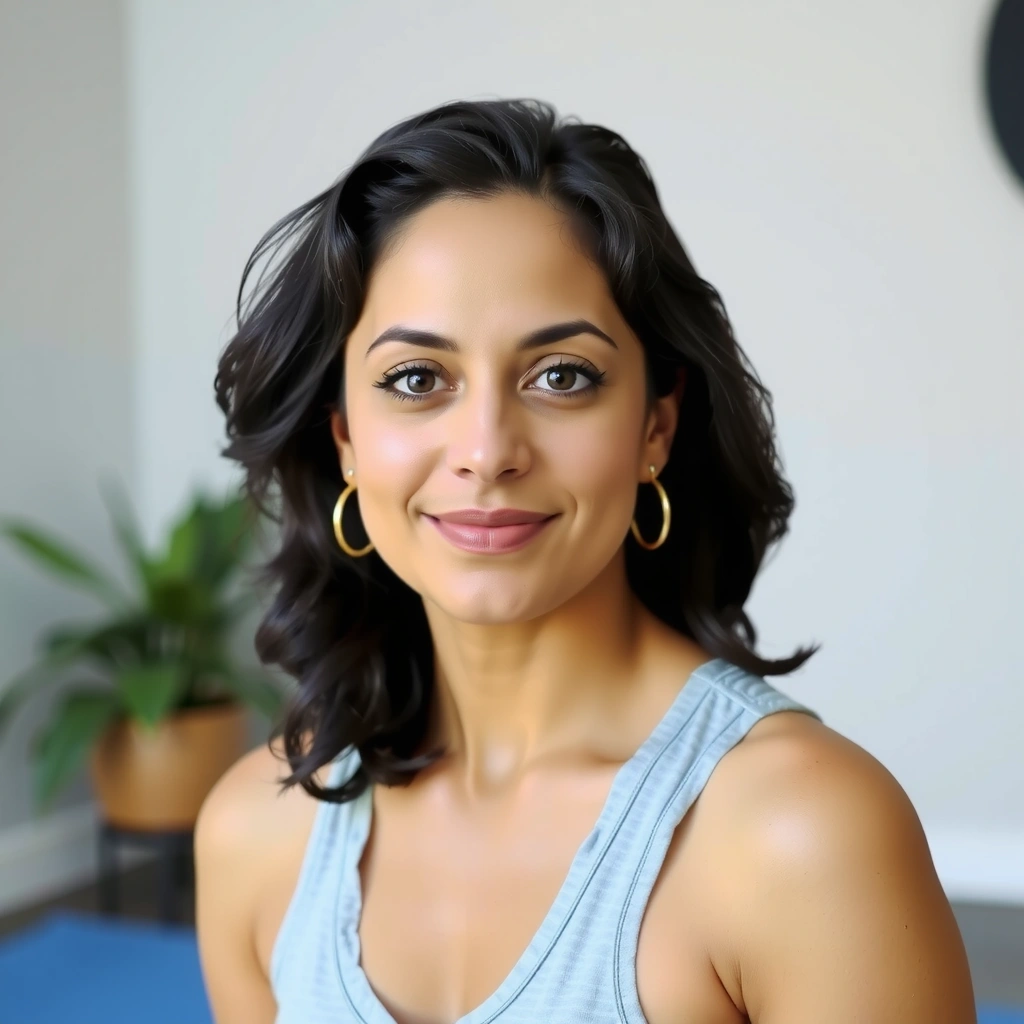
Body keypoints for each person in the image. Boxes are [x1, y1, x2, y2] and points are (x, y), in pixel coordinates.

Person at [194, 97, 976, 1024]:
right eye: (416, 380)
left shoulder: (801, 837)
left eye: (561, 375)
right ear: (347, 439)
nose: (487, 449)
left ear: (656, 425)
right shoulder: (257, 830)